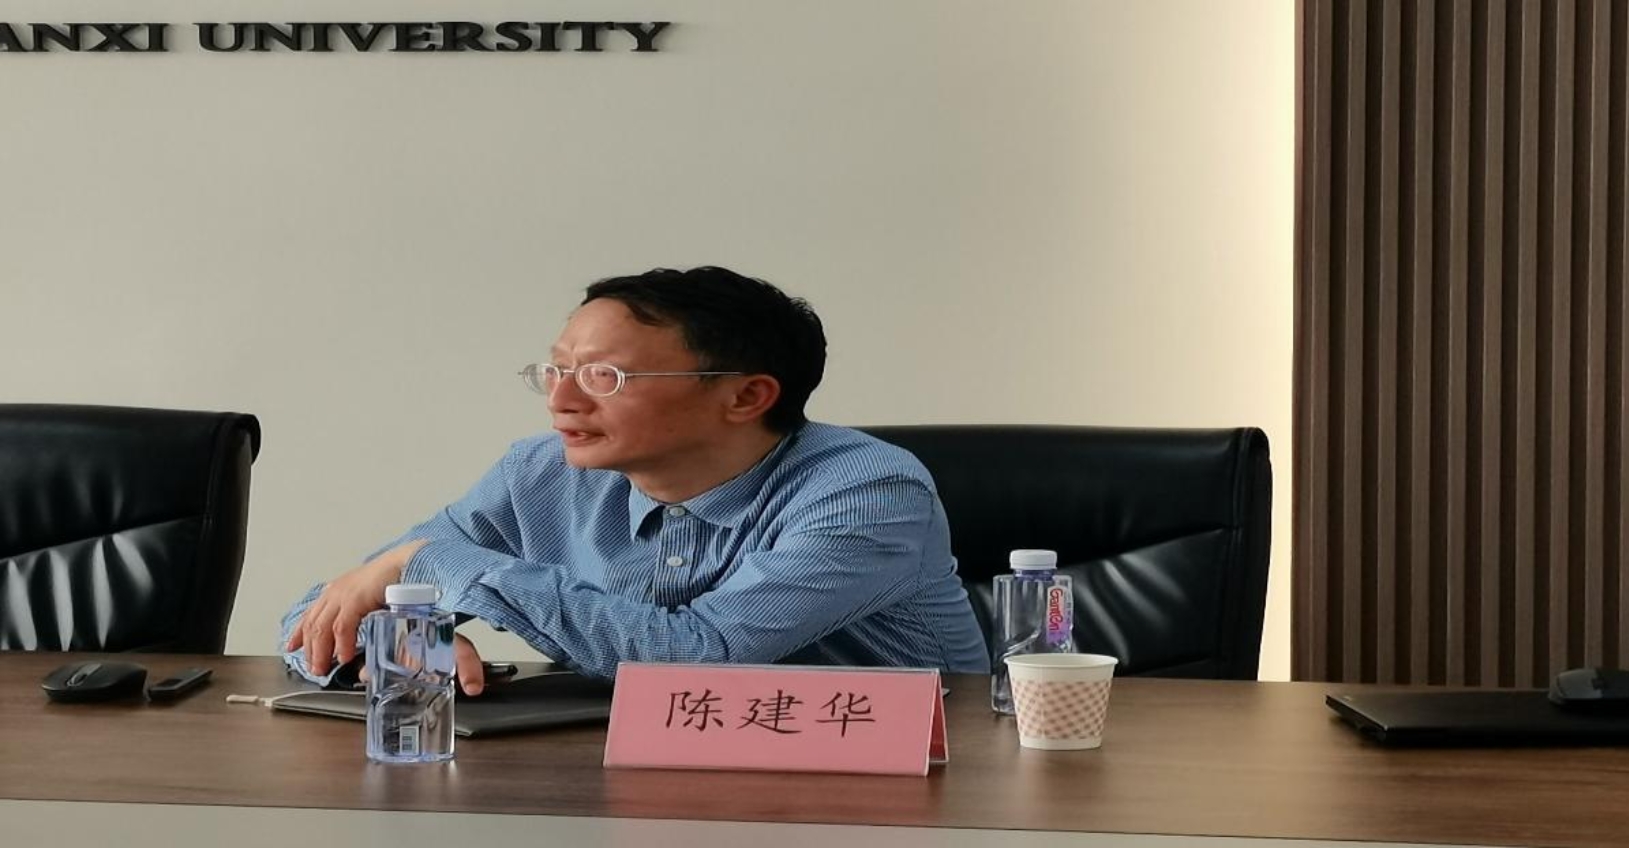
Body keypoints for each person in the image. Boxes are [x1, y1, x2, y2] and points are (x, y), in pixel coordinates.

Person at [281, 266, 990, 693]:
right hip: (636, 771)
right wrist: (399, 645)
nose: (561, 400)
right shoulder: (540, 473)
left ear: (746, 396)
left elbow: (697, 657)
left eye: (604, 376)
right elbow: (321, 614)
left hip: (892, 785)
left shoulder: (866, 491)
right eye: (557, 369)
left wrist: (435, 564)